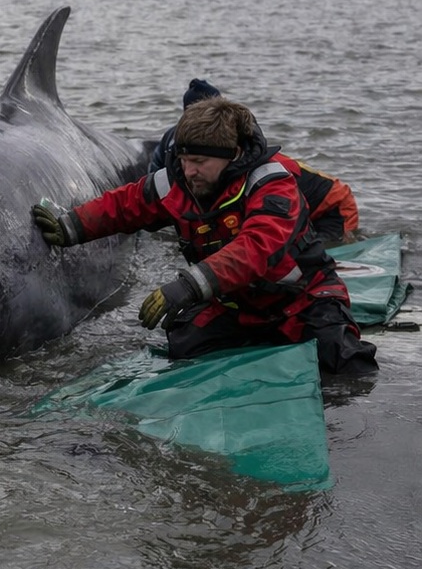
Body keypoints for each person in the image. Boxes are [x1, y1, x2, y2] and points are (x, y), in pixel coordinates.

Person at [33, 96, 376, 376]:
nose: (188, 170)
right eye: (183, 159)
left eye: (199, 161)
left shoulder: (272, 185)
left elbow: (255, 249)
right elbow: (124, 206)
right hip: (237, 307)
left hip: (301, 302)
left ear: (233, 156)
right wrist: (69, 227)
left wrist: (186, 286)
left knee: (346, 363)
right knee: (183, 344)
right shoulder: (175, 182)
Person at [148, 79, 359, 247]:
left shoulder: (260, 170)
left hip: (333, 204)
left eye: (198, 161)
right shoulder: (178, 142)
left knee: (315, 252)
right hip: (302, 203)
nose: (189, 170)